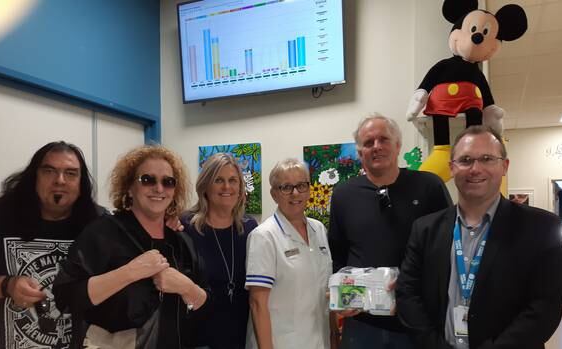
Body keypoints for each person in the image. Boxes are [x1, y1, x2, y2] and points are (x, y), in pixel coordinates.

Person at [396, 125, 562, 349]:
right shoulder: (425, 229)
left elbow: (544, 309)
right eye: (465, 160)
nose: (475, 169)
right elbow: (408, 294)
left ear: (504, 166)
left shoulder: (542, 228)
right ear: (451, 168)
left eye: (487, 159)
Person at [53, 145, 207, 349]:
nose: (159, 188)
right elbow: (67, 296)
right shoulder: (103, 233)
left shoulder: (181, 242)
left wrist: (185, 287)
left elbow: (204, 303)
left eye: (168, 182)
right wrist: (129, 272)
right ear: (129, 187)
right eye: (147, 180)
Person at [0, 141, 102, 349]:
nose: (60, 181)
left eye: (71, 173)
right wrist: (6, 285)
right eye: (49, 171)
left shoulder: (98, 224)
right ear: (34, 177)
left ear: (81, 184)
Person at [328, 114, 452, 349]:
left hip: (418, 323)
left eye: (383, 139)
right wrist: (341, 293)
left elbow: (446, 250)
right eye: (368, 142)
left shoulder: (429, 186)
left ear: (397, 145)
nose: (376, 147)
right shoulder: (343, 194)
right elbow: (338, 254)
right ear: (359, 153)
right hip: (363, 324)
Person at [245, 158, 333, 349]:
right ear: (274, 194)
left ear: (309, 189)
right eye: (286, 187)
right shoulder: (264, 236)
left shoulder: (318, 229)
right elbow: (257, 303)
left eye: (301, 185)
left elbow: (323, 292)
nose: (295, 193)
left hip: (319, 340)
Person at [181, 153, 258, 349]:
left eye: (233, 180)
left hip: (241, 335)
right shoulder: (185, 227)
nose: (227, 187)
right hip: (197, 337)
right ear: (205, 186)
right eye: (218, 180)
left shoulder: (250, 228)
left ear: (240, 187)